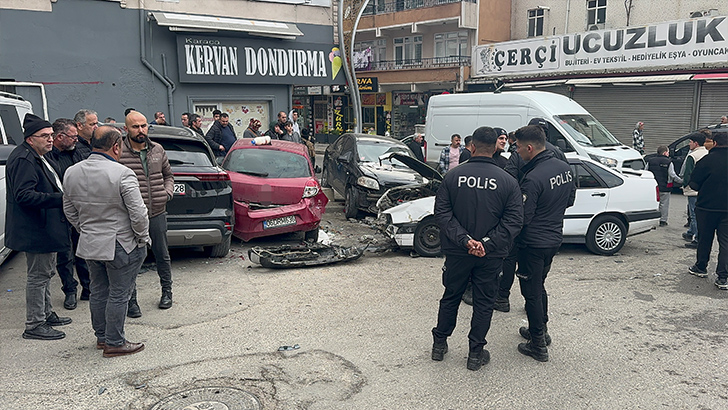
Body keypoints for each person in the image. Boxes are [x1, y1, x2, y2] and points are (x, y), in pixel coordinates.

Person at [431, 126, 523, 371]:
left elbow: (442, 213)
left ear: (471, 147)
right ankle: (475, 353)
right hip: (491, 255)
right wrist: (487, 243)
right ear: (495, 148)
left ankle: (439, 345)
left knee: (451, 296)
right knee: (483, 303)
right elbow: (514, 221)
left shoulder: (452, 176)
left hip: (457, 251)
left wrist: (464, 240)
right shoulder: (508, 181)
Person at [63, 126, 150, 357]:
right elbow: (139, 213)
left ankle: (102, 338)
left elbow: (69, 210)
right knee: (120, 293)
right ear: (116, 146)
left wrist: (85, 230)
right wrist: (142, 238)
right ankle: (115, 342)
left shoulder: (72, 172)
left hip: (91, 243)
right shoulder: (122, 173)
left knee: (99, 291)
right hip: (121, 242)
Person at [6, 113, 72, 340]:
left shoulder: (41, 156)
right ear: (30, 139)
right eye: (44, 136)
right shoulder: (24, 159)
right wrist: (60, 199)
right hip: (35, 228)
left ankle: (46, 313)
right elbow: (24, 196)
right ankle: (34, 323)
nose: (50, 139)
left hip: (47, 226)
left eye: (51, 135)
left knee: (46, 272)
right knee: (38, 275)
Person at [513, 124, 575, 362]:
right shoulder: (563, 167)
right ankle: (541, 329)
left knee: (531, 293)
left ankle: (537, 344)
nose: (516, 152)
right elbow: (570, 199)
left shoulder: (533, 177)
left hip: (533, 243)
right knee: (539, 286)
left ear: (530, 148)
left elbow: (524, 217)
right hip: (554, 238)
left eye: (518, 147)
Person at [120, 111, 175, 316]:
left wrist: (167, 193)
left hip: (157, 212)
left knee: (162, 255)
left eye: (144, 126)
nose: (141, 130)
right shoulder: (119, 151)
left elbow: (168, 174)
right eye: (135, 126)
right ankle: (131, 300)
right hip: (130, 216)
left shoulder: (157, 149)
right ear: (127, 129)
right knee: (131, 258)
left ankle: (167, 292)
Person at [46, 118, 90, 310]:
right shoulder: (48, 157)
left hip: (80, 210)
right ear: (60, 137)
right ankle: (70, 290)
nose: (76, 140)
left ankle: (88, 288)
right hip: (59, 212)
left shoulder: (79, 150)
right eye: (72, 137)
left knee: (83, 251)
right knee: (65, 255)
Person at [685, 132, 728, 288]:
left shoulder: (706, 161)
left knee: (705, 238)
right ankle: (723, 277)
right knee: (725, 242)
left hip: (706, 207)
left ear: (715, 143)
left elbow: (694, 184)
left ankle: (701, 267)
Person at [682, 133, 709, 249]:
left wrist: (684, 184)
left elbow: (687, 174)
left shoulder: (692, 156)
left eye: (690, 142)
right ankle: (691, 232)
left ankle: (697, 238)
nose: (689, 144)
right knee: (700, 213)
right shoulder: (707, 153)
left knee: (694, 214)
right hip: (705, 188)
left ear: (696, 143)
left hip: (693, 189)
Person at [646, 145, 682, 226]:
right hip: (665, 187)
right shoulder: (669, 162)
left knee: (653, 203)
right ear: (665, 153)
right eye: (668, 152)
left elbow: (646, 172)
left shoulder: (650, 161)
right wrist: (682, 181)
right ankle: (663, 220)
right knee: (664, 203)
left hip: (653, 187)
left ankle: (650, 219)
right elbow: (672, 175)